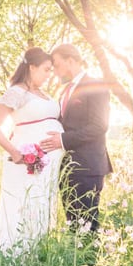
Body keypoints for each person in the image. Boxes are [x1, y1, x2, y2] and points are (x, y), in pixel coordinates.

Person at [0, 47, 65, 266]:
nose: (49, 75)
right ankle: (12, 261)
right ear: (32, 67)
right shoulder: (17, 92)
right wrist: (15, 152)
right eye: (46, 70)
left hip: (48, 167)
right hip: (26, 164)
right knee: (22, 207)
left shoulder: (45, 94)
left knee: (40, 208)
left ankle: (35, 260)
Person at [40, 44, 112, 233]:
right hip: (68, 167)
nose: (55, 71)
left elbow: (99, 126)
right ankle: (76, 261)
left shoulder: (96, 86)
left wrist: (62, 140)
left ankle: (89, 263)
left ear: (70, 61)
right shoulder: (65, 91)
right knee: (73, 225)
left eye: (56, 65)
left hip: (88, 168)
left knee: (87, 227)